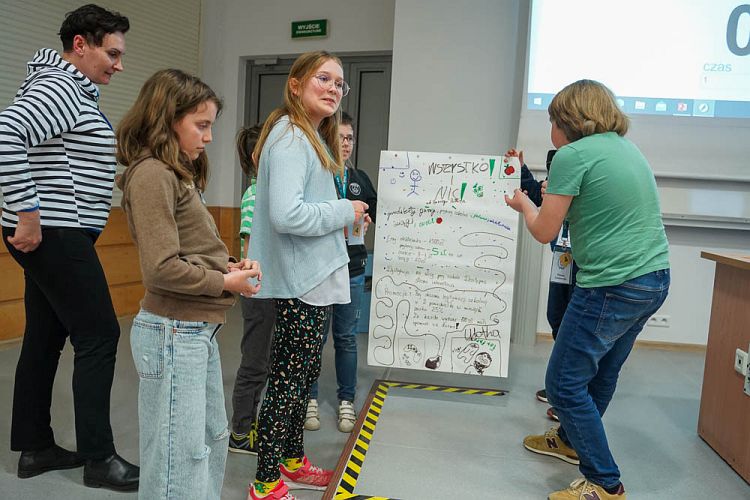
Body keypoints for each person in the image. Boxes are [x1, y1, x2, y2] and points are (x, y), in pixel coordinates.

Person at [505, 79, 670, 500]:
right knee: (602, 373)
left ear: (566, 121)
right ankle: (569, 441)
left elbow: (545, 231)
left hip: (611, 285)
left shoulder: (572, 155)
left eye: (552, 121)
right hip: (654, 280)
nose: (551, 130)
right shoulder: (625, 149)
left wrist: (524, 204)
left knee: (563, 384)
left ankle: (604, 482)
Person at [0, 4, 139, 490]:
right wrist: (27, 212)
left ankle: (35, 447)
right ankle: (100, 459)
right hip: (54, 233)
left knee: (44, 336)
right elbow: (6, 133)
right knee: (99, 334)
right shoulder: (60, 85)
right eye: (112, 53)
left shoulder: (71, 88)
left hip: (58, 233)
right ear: (80, 45)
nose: (119, 65)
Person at [116, 69, 261, 500]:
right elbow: (162, 268)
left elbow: (189, 248)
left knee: (208, 440)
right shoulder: (152, 175)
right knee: (178, 459)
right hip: (173, 331)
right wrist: (225, 280)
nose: (209, 137)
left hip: (194, 331)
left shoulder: (176, 173)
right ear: (168, 119)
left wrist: (228, 266)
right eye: (201, 125)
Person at [247, 50, 369, 500]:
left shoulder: (309, 135)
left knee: (302, 375)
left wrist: (344, 213)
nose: (334, 88)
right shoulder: (291, 136)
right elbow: (287, 215)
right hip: (302, 280)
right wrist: (344, 210)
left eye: (340, 83)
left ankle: (292, 461)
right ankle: (265, 481)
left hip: (314, 276)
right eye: (324, 78)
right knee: (288, 379)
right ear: (295, 85)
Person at [305, 111, 377, 433]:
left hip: (353, 268)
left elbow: (375, 210)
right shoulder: (317, 178)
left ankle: (346, 399)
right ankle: (309, 399)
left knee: (346, 338)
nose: (345, 144)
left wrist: (368, 219)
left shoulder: (359, 179)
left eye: (350, 138)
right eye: (340, 138)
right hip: (321, 269)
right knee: (316, 338)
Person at [507, 147, 579, 422]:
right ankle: (560, 388)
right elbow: (536, 194)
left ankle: (570, 395)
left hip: (585, 268)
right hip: (563, 266)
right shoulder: (554, 183)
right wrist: (521, 169)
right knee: (558, 319)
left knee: (576, 330)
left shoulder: (582, 180)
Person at [228, 124, 277, 455]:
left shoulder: (272, 193)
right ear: (257, 157)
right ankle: (240, 433)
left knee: (265, 362)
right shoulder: (254, 195)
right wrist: (252, 284)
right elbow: (248, 247)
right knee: (255, 363)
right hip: (259, 292)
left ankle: (252, 423)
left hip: (272, 291)